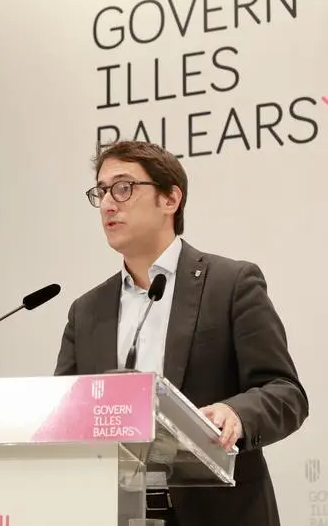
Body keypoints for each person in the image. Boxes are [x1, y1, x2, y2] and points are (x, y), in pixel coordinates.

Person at [54, 140, 309, 526]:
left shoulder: (231, 284)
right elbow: (67, 414)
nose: (107, 203)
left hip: (220, 514)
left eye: (123, 188)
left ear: (170, 199)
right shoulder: (87, 311)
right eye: (101, 191)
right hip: (116, 513)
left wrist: (236, 413)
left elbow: (285, 393)